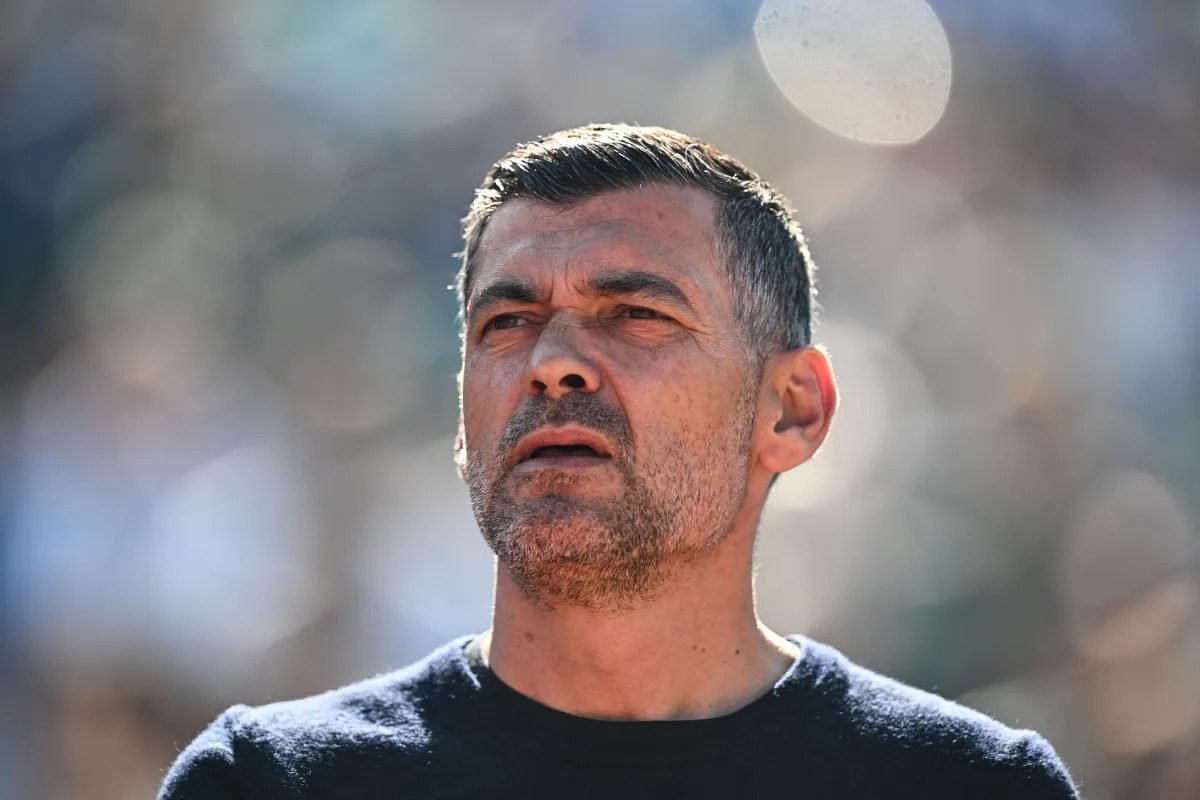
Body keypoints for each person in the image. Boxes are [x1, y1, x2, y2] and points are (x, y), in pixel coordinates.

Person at [158, 124, 1079, 798]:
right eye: (507, 322)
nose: (551, 363)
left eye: (636, 315)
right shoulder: (270, 785)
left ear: (792, 410)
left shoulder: (968, 787)